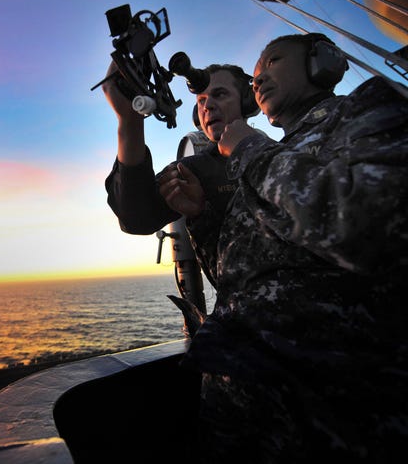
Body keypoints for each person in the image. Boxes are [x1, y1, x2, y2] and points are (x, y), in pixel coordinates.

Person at [162, 32, 408, 463]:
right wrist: (201, 219)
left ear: (322, 62)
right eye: (254, 76)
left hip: (325, 409)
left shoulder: (363, 110)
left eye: (273, 62)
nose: (258, 80)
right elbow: (245, 283)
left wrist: (250, 149)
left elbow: (366, 224)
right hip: (241, 407)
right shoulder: (279, 156)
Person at [102, 60, 258, 288]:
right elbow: (136, 218)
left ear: (247, 101)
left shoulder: (288, 154)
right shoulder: (194, 170)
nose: (208, 107)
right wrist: (129, 121)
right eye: (201, 101)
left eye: (220, 94)